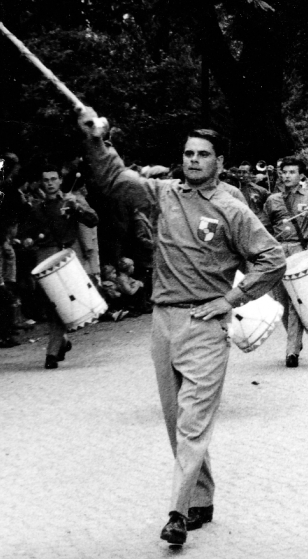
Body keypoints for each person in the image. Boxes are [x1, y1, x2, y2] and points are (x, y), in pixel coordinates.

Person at [78, 108, 286, 545]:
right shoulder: (163, 195)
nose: (192, 160)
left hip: (205, 325)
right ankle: (202, 497)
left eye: (203, 154)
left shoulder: (232, 209)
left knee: (192, 423)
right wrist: (96, 140)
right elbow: (116, 179)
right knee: (178, 422)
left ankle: (177, 513)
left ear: (219, 162)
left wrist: (230, 299)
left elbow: (273, 259)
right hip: (162, 322)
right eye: (188, 153)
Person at [21, 166, 99, 369]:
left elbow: (93, 221)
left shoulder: (71, 201)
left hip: (66, 259)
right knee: (50, 304)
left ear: (59, 181)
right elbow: (26, 233)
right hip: (44, 257)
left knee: (59, 303)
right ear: (41, 182)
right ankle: (61, 341)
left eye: (53, 179)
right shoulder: (35, 208)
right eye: (45, 179)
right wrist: (28, 240)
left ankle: (52, 352)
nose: (49, 183)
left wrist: (77, 209)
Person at [263, 157, 308, 367]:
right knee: (280, 301)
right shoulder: (272, 200)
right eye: (284, 172)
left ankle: (291, 351)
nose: (287, 176)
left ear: (301, 175)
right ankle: (294, 340)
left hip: (300, 251)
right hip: (277, 252)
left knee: (297, 301)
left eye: (292, 172)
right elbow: (264, 227)